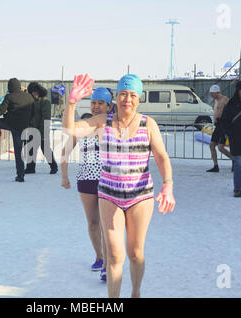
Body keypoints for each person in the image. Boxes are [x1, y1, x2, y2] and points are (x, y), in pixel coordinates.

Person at [62, 74, 176, 298]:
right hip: (109, 195)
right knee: (114, 256)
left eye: (133, 95)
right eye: (124, 94)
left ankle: (135, 293)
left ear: (139, 98)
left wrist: (168, 185)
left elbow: (162, 157)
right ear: (117, 97)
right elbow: (71, 130)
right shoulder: (102, 122)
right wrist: (72, 102)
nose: (128, 99)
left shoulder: (148, 124)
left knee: (135, 253)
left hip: (140, 196)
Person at [61, 87, 112, 282]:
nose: (96, 106)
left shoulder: (112, 123)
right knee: (93, 223)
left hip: (107, 179)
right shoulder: (82, 126)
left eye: (100, 103)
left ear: (108, 105)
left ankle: (108, 265)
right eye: (93, 103)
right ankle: (99, 257)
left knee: (107, 224)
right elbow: (65, 151)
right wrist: (64, 176)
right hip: (86, 178)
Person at [24, 82, 58, 175]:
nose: (34, 94)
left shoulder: (45, 101)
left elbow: (46, 117)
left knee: (45, 149)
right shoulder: (30, 101)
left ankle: (53, 166)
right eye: (32, 92)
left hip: (42, 129)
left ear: (39, 92)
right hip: (31, 129)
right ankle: (30, 168)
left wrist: (42, 133)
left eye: (36, 92)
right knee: (30, 149)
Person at [207, 85, 233, 172]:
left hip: (224, 126)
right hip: (218, 126)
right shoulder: (216, 100)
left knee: (221, 147)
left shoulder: (225, 99)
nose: (211, 95)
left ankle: (234, 160)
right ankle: (215, 166)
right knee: (211, 145)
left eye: (212, 93)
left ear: (216, 92)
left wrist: (226, 122)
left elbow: (231, 112)